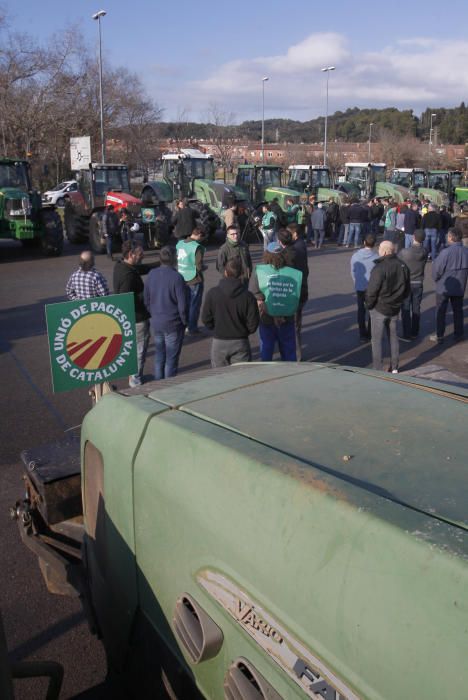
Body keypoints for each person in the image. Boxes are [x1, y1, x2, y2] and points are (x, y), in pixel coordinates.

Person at [113, 241, 159, 388]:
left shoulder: (121, 266)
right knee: (139, 350)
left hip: (130, 318)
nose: (143, 255)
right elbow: (128, 299)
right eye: (140, 254)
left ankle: (134, 375)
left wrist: (160, 264)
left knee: (134, 349)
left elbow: (141, 268)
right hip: (137, 318)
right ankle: (135, 380)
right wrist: (147, 294)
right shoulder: (128, 276)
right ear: (131, 254)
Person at [249, 242, 302, 361]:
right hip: (286, 318)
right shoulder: (292, 271)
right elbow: (296, 294)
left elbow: (254, 291)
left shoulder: (259, 270)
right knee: (289, 352)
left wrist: (268, 307)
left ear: (267, 254)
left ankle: (266, 376)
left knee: (266, 351)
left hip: (266, 317)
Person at [202, 258, 259, 367]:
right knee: (240, 379)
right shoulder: (248, 297)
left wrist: (217, 328)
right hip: (240, 342)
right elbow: (253, 324)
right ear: (241, 274)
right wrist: (243, 331)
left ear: (225, 272)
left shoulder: (212, 293)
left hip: (219, 341)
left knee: (219, 378)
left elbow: (206, 319)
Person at [365, 240, 410, 373]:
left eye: (379, 249)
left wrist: (369, 304)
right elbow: (407, 289)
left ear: (384, 251)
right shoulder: (403, 265)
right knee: (393, 337)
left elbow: (372, 291)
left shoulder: (379, 268)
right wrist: (399, 301)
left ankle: (378, 368)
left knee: (376, 340)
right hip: (395, 307)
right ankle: (394, 367)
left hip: (379, 308)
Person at [144, 246, 187, 380]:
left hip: (156, 322)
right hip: (173, 323)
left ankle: (158, 384)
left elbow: (146, 299)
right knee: (171, 360)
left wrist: (153, 314)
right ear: (174, 259)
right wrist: (184, 322)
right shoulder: (177, 278)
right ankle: (168, 387)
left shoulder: (152, 274)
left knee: (159, 356)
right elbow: (182, 306)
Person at [430, 228, 468, 343]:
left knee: (441, 311)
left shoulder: (446, 252)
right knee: (458, 311)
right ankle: (459, 334)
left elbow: (437, 270)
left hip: (444, 286)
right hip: (460, 285)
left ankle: (440, 335)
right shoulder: (466, 251)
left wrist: (436, 279)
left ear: (451, 237)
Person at [283, 225, 309, 360]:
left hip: (296, 293)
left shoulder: (295, 250)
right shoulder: (301, 245)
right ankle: (295, 354)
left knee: (293, 326)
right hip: (301, 290)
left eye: (289, 233)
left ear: (295, 234)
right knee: (295, 325)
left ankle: (296, 356)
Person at [398, 230, 428, 339]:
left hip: (406, 283)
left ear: (413, 237)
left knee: (405, 308)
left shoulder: (405, 252)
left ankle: (407, 334)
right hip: (418, 282)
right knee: (416, 308)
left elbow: (397, 262)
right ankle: (415, 332)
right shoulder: (424, 251)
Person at [176, 227, 205, 335]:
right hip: (194, 279)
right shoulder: (197, 247)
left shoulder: (180, 243)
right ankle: (192, 328)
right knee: (194, 305)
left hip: (182, 277)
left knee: (184, 303)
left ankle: (184, 325)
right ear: (199, 235)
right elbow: (199, 266)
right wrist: (204, 267)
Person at [350, 234, 378, 342]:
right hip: (372, 288)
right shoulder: (377, 258)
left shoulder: (355, 256)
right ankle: (371, 333)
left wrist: (356, 282)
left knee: (361, 310)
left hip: (360, 286)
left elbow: (353, 271)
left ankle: (362, 334)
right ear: (374, 244)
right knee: (372, 311)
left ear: (364, 242)